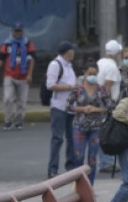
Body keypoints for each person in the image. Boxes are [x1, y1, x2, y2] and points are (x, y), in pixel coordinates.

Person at [67, 62, 111, 183]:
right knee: (78, 157)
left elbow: (109, 106)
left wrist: (96, 109)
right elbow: (68, 106)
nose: (92, 76)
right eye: (89, 73)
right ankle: (79, 183)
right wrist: (82, 109)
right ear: (84, 74)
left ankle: (90, 186)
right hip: (79, 126)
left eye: (94, 74)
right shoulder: (77, 88)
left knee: (92, 158)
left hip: (95, 127)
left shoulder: (101, 89)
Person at [0, 23, 35, 130]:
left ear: (22, 32)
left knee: (22, 101)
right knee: (8, 99)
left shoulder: (28, 44)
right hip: (9, 75)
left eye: (19, 31)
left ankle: (19, 121)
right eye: (16, 31)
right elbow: (0, 59)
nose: (18, 33)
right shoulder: (6, 44)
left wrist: (30, 74)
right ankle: (8, 121)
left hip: (24, 77)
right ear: (12, 32)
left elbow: (32, 59)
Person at [46, 41, 78, 178]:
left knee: (71, 138)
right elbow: (50, 85)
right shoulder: (55, 65)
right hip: (59, 106)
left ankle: (70, 166)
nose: (74, 53)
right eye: (72, 50)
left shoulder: (69, 65)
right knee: (57, 138)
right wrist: (70, 87)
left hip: (71, 107)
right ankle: (53, 169)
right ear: (68, 52)